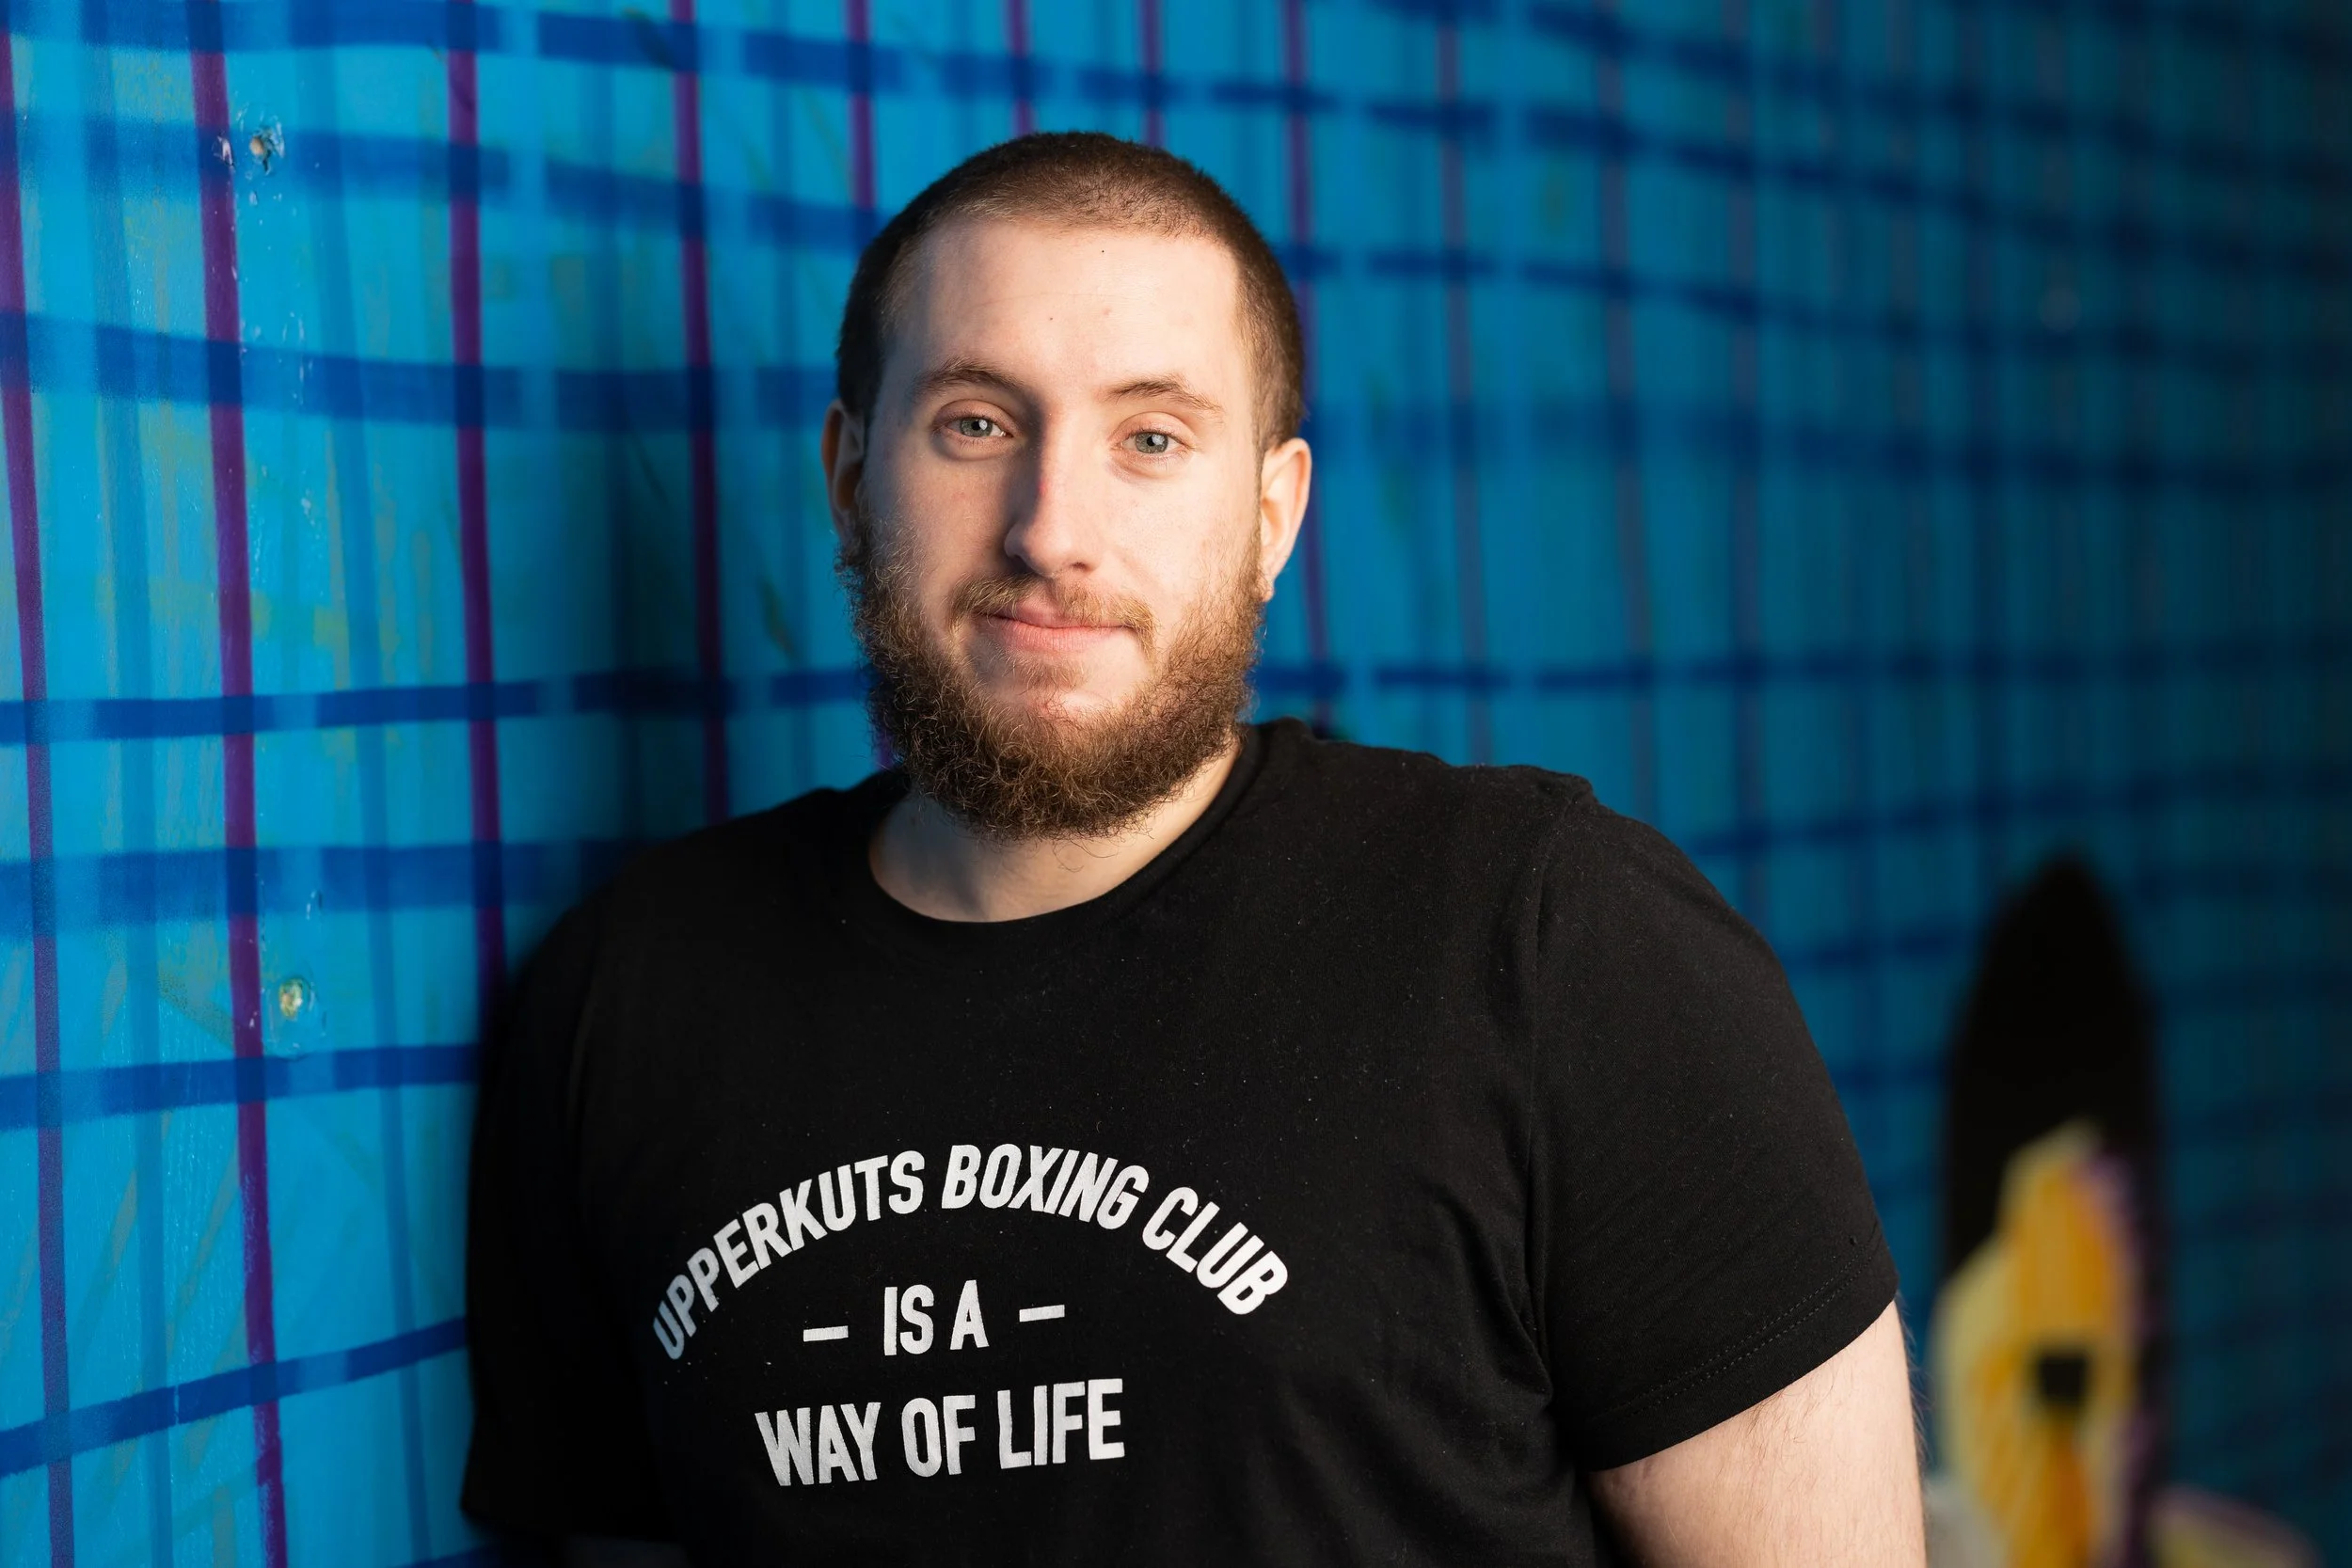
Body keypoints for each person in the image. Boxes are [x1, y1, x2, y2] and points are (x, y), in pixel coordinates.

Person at [461, 132, 1925, 1566]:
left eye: (1150, 437)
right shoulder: (630, 1001)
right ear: (851, 476)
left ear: (1272, 515)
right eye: (976, 422)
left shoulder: (1552, 941)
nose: (1053, 530)